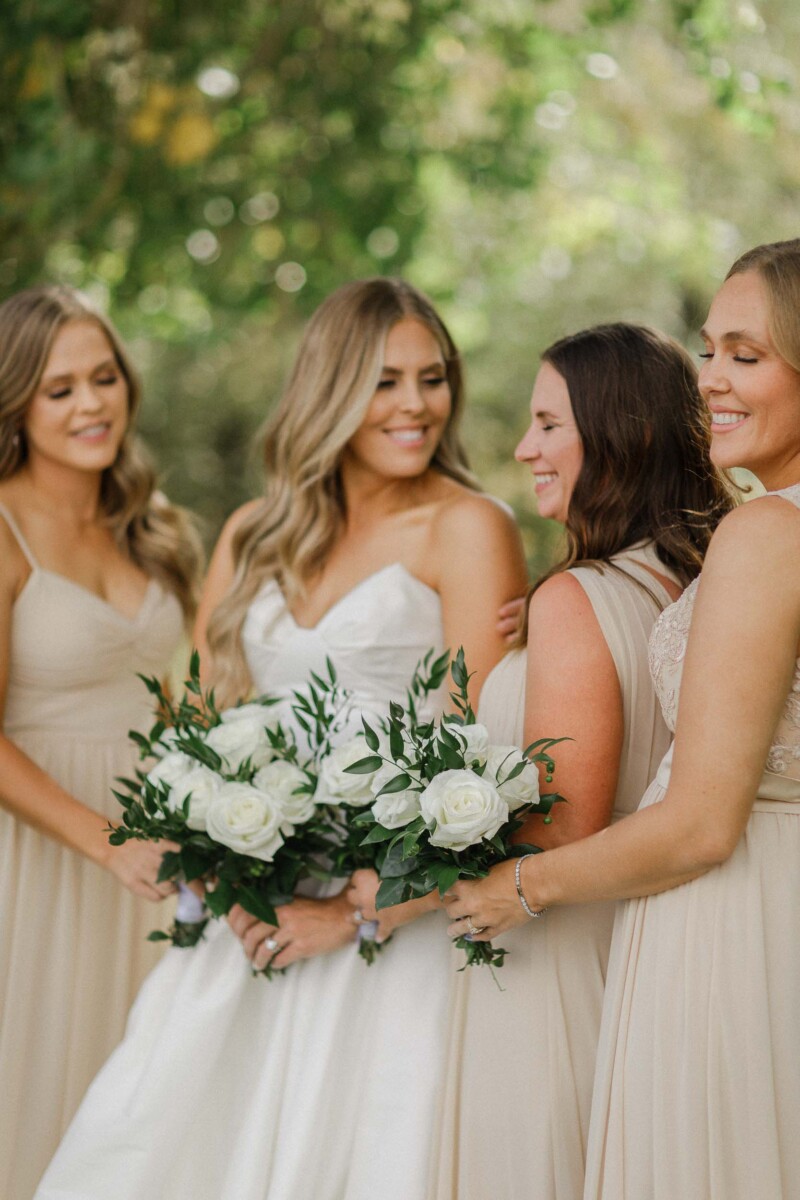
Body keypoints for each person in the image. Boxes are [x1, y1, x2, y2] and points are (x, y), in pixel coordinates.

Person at [37, 277, 527, 1200]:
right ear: (330, 388)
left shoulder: (468, 527)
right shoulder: (255, 533)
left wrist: (357, 912)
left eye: (433, 377)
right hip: (250, 914)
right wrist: (227, 872)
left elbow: (482, 759)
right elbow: (195, 726)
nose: (417, 404)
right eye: (385, 381)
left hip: (385, 922)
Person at [444, 241, 800, 1200]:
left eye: (745, 356)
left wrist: (513, 886)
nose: (711, 381)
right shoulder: (736, 541)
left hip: (734, 922)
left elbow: (699, 821)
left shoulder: (770, 534)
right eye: (708, 351)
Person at [0, 286, 202, 1200]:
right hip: (43, 853)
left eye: (104, 377)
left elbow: (191, 703)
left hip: (159, 853)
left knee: (143, 1112)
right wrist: (107, 841)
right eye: (59, 390)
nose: (92, 405)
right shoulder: (2, 530)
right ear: (17, 404)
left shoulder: (157, 531)